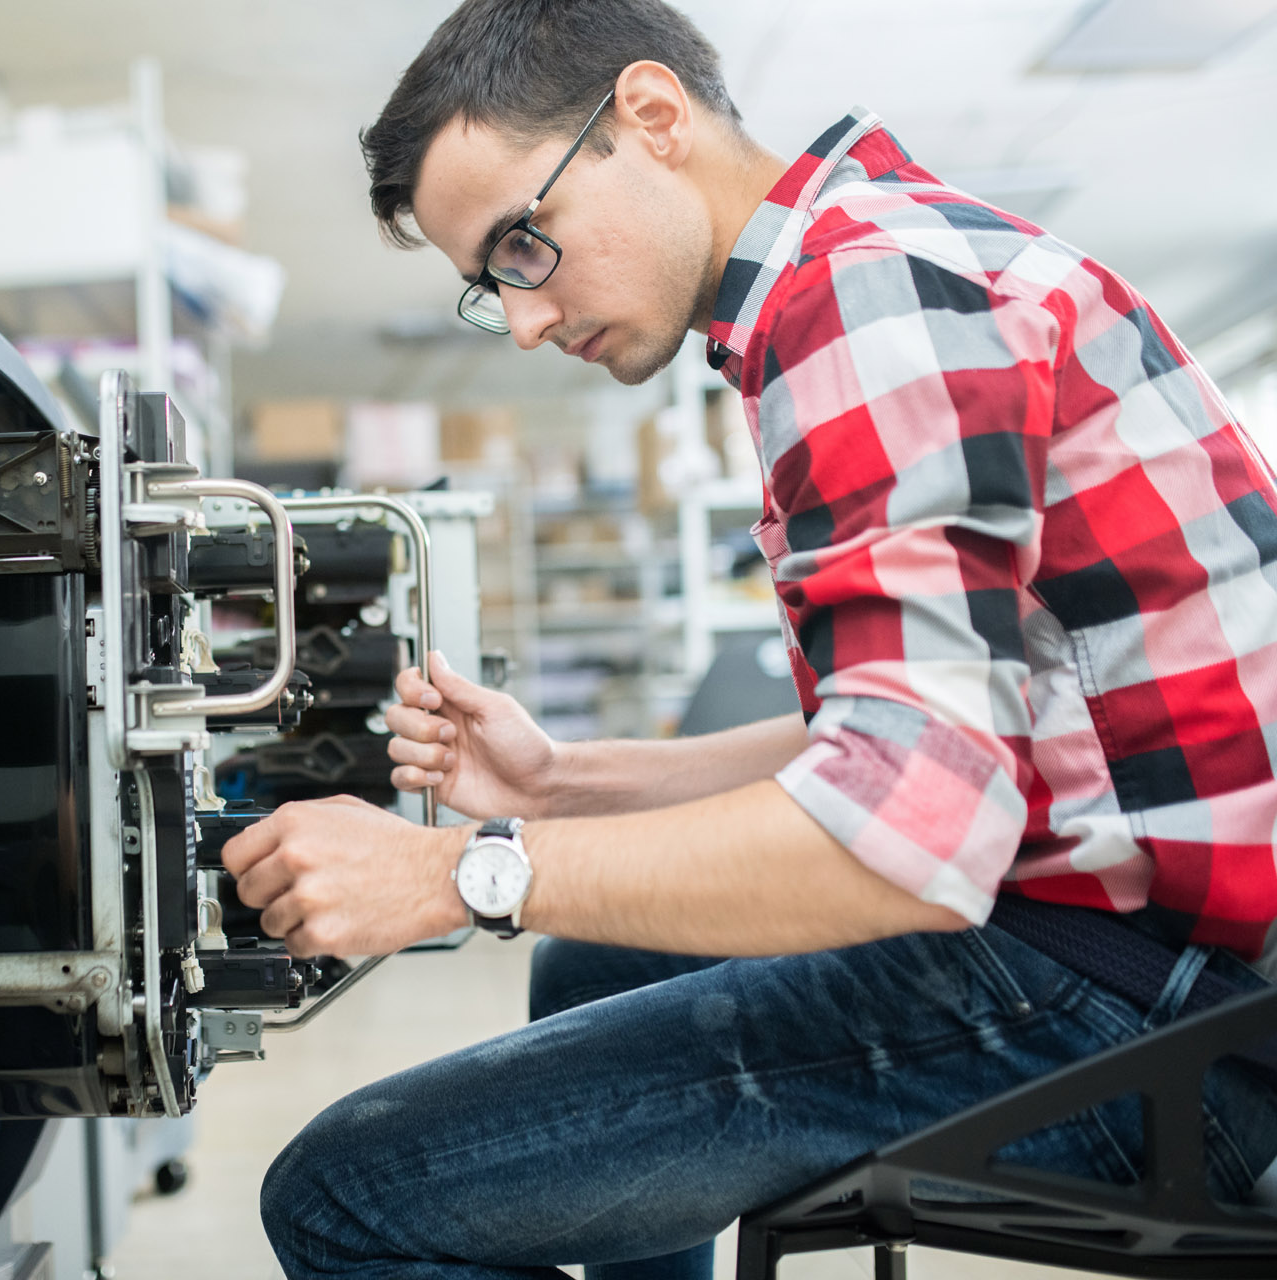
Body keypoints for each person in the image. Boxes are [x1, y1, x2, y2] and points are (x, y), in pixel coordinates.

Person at [217, 1, 1277, 1276]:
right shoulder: (875, 262)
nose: (531, 318)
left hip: (1147, 1022)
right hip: (1154, 958)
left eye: (522, 245)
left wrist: (460, 872)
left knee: (345, 1192)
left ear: (652, 117)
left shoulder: (865, 298)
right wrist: (568, 783)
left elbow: (904, 841)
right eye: (490, 286)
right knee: (591, 963)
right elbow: (945, 733)